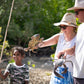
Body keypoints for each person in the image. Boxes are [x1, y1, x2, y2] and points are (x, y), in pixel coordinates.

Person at [37, 13, 77, 84]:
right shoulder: (59, 37)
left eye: (64, 27)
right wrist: (35, 44)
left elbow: (74, 50)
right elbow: (44, 43)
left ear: (72, 27)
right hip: (56, 72)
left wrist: (64, 52)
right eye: (60, 27)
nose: (62, 29)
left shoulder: (78, 38)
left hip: (71, 74)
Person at [56, 0, 84, 84]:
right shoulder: (81, 28)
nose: (75, 16)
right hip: (77, 75)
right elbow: (76, 48)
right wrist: (65, 51)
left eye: (77, 12)